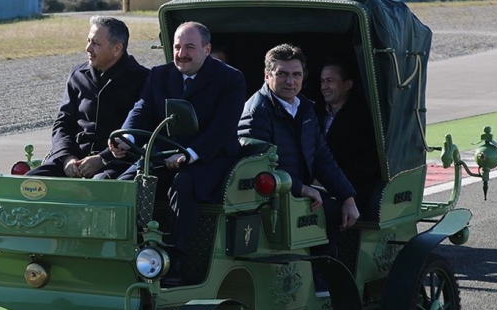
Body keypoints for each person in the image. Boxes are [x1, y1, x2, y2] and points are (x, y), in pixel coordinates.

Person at [114, 21, 247, 285]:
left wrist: (191, 154)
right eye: (176, 47)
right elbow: (142, 109)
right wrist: (126, 137)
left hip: (210, 157)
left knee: (184, 185)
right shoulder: (160, 75)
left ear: (207, 49)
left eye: (189, 47)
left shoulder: (230, 79)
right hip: (164, 154)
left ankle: (176, 260)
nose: (181, 53)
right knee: (124, 186)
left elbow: (223, 128)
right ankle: (125, 253)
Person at [237, 44, 359, 295]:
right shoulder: (257, 111)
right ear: (267, 76)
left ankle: (321, 277)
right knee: (329, 212)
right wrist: (302, 188)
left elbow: (322, 158)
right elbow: (258, 165)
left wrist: (348, 196)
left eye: (296, 74)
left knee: (340, 210)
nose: (290, 81)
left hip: (293, 191)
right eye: (282, 74)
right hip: (267, 196)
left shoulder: (304, 108)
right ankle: (318, 280)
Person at [26, 16, 149, 179]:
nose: (88, 48)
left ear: (117, 49)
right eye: (88, 41)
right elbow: (63, 123)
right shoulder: (77, 76)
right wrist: (67, 158)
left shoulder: (143, 79)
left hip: (117, 164)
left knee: (98, 187)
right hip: (74, 161)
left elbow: (141, 130)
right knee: (29, 183)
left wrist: (103, 158)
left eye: (96, 43)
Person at [317, 60, 380, 206]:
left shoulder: (362, 119)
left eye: (330, 81)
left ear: (348, 85)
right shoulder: (314, 113)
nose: (324, 87)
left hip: (348, 189)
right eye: (322, 81)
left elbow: (363, 165)